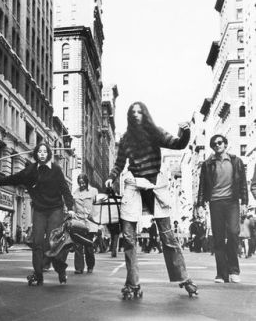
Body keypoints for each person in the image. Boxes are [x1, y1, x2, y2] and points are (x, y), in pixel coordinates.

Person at [104, 101, 197, 298]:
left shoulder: (155, 132)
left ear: (145, 114)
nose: (136, 115)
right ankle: (133, 283)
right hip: (134, 186)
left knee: (168, 237)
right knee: (129, 238)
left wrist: (185, 132)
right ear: (130, 116)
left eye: (140, 111)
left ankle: (184, 278)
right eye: (133, 112)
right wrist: (111, 177)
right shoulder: (127, 139)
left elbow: (178, 144)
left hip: (155, 186)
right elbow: (119, 163)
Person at [0, 143, 74, 286]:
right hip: (40, 210)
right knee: (36, 242)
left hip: (55, 209)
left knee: (52, 243)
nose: (42, 154)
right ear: (36, 154)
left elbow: (65, 189)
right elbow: (14, 178)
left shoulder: (56, 170)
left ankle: (61, 270)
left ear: (48, 154)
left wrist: (70, 207)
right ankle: (38, 274)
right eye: (39, 151)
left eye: (45, 151)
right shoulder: (31, 170)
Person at [198, 134, 248, 284]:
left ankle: (234, 270)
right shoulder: (207, 164)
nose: (217, 145)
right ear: (212, 147)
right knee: (218, 238)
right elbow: (202, 186)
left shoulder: (236, 161)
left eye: (220, 143)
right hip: (215, 202)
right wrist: (200, 204)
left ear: (225, 144)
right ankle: (221, 273)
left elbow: (243, 184)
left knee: (233, 233)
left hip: (232, 202)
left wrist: (244, 202)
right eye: (214, 144)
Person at [70, 173, 98, 274]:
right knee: (77, 245)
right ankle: (79, 268)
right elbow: (73, 207)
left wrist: (98, 223)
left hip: (90, 222)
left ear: (87, 182)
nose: (81, 185)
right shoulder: (75, 192)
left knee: (88, 246)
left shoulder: (94, 191)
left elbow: (97, 207)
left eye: (83, 183)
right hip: (78, 222)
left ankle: (90, 266)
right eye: (80, 183)